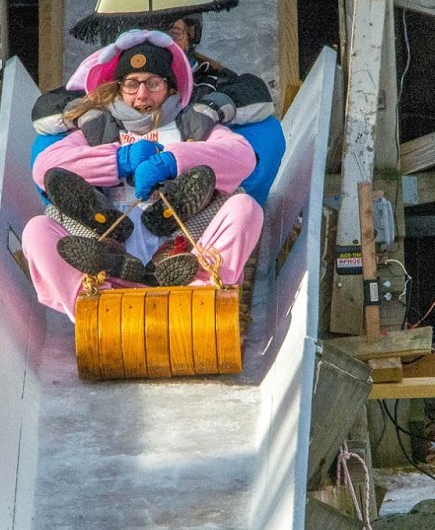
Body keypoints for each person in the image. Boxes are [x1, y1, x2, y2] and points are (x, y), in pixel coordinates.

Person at [21, 31, 263, 320]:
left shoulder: (190, 125)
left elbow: (242, 157)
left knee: (244, 207)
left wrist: (173, 161)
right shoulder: (99, 129)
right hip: (109, 237)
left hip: (181, 240)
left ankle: (198, 292)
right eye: (132, 84)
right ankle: (96, 306)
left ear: (171, 88)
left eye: (154, 83)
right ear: (119, 87)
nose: (142, 94)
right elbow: (45, 168)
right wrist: (119, 160)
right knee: (37, 230)